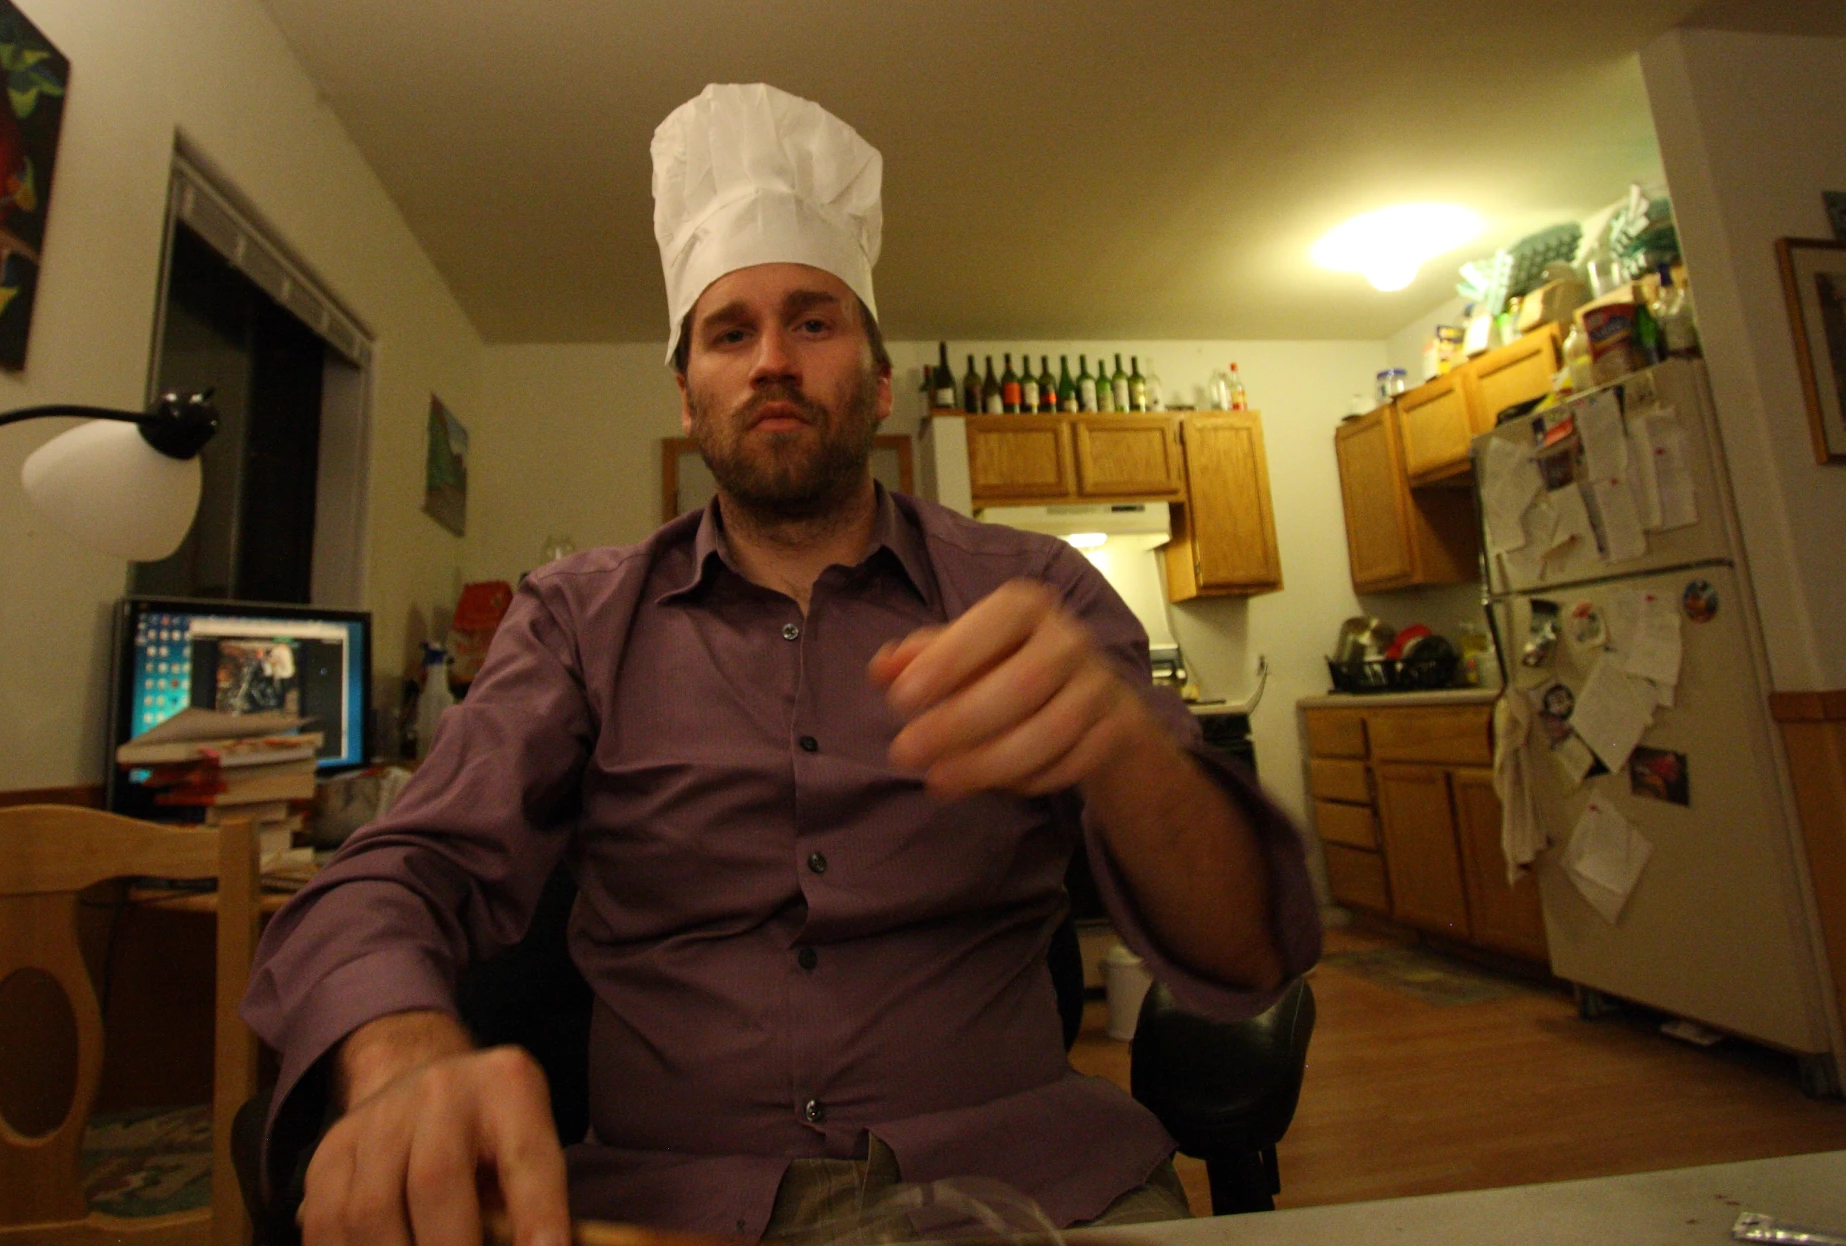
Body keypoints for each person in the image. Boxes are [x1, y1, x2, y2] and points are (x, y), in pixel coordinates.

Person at [243, 83, 1320, 1246]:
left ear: (877, 376)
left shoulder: (1039, 591)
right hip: (662, 1204)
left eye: (813, 321)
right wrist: (400, 1051)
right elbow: (393, 870)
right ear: (688, 391)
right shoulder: (577, 619)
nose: (770, 361)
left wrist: (1119, 747)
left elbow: (1248, 950)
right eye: (728, 331)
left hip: (1031, 1184)